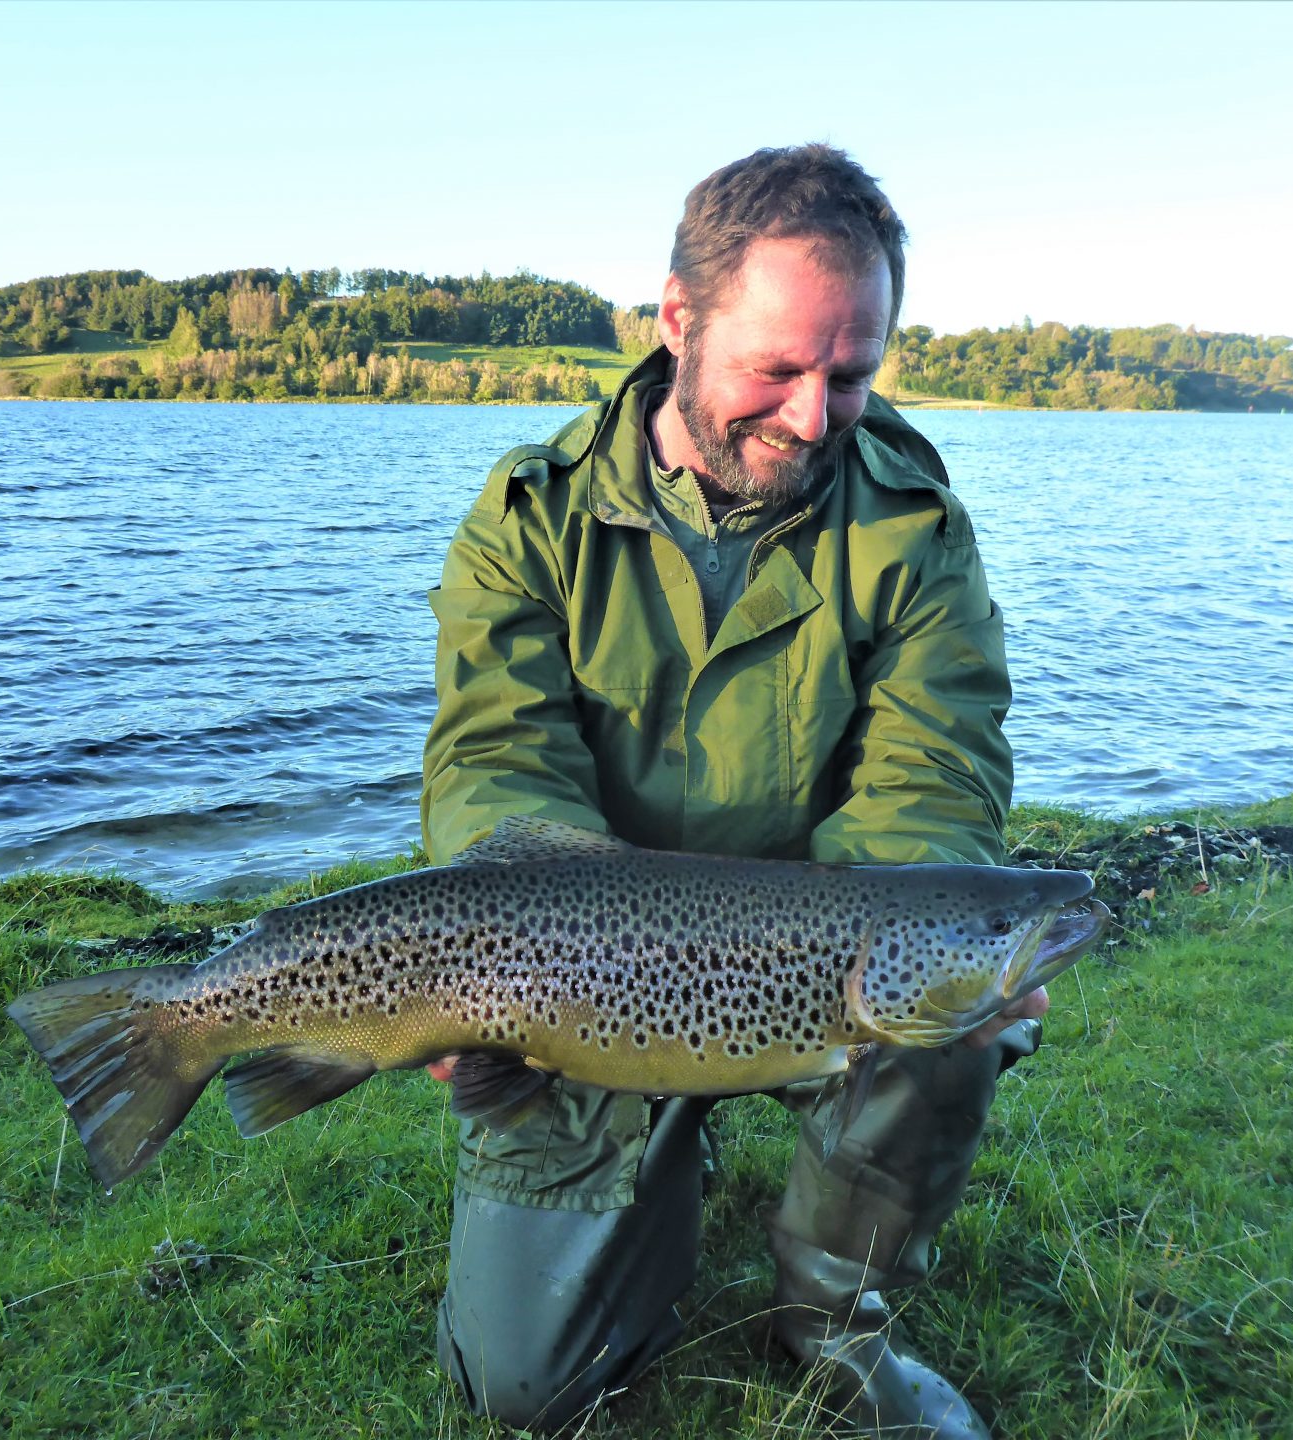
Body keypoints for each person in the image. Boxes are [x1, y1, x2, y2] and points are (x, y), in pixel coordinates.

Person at [417, 144, 1044, 1438]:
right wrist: (473, 970)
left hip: (815, 953)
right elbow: (497, 764)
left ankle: (835, 1321)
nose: (816, 417)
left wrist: (909, 949)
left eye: (853, 375)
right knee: (527, 1388)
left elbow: (935, 776)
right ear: (677, 322)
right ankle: (641, 1170)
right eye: (779, 370)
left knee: (951, 986)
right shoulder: (528, 520)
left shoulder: (914, 528)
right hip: (584, 970)